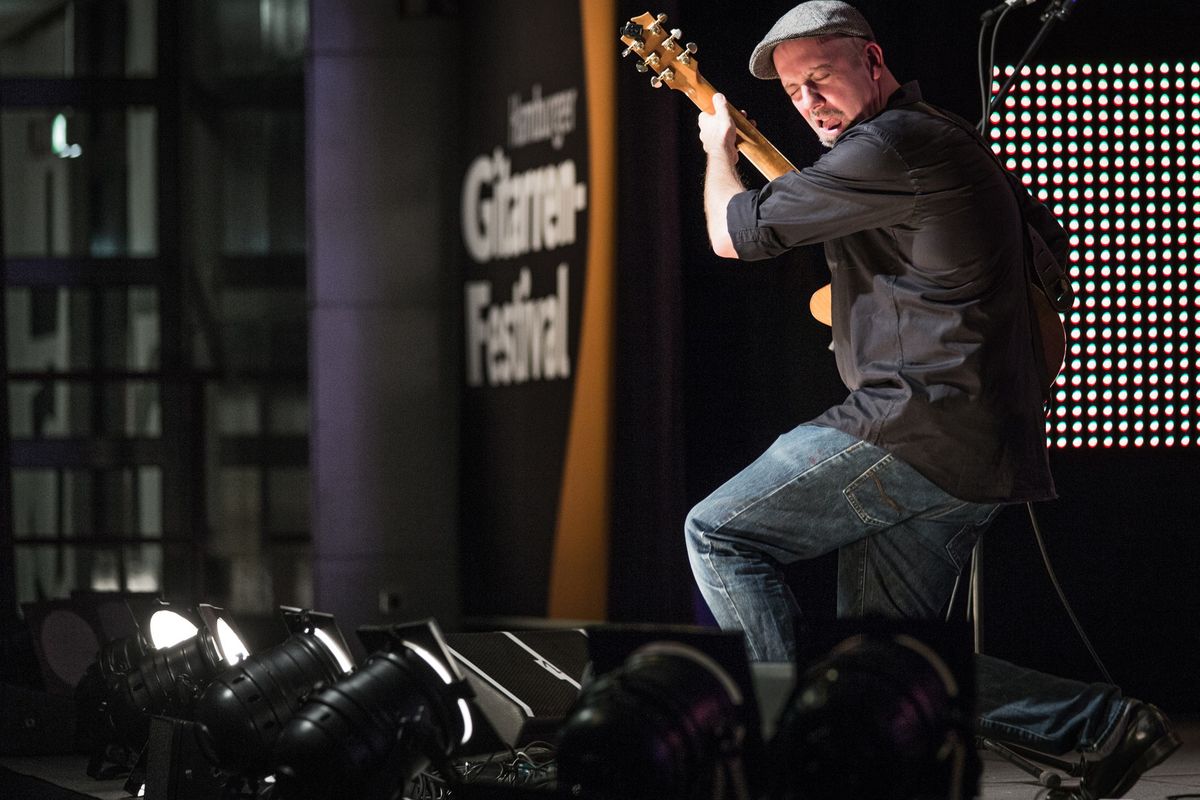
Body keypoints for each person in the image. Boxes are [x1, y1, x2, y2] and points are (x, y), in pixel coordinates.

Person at [684, 2, 1180, 798]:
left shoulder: (887, 146)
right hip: (984, 439)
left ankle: (770, 740)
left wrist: (719, 151)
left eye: (822, 78)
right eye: (794, 91)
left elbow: (732, 232)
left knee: (717, 533)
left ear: (872, 62)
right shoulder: (939, 134)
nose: (809, 101)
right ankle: (1099, 725)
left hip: (911, 423)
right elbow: (1045, 249)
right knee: (881, 662)